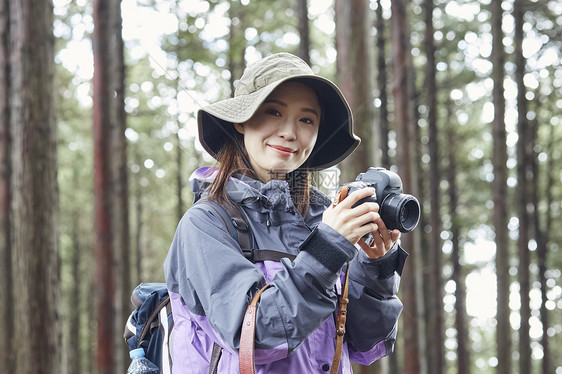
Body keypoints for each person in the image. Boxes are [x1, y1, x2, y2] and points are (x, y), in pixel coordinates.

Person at [164, 52, 408, 373]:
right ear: (241, 119)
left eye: (307, 120)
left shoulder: (327, 219)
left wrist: (376, 267)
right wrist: (327, 249)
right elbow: (255, 337)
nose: (290, 132)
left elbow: (367, 344)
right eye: (273, 111)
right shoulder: (206, 223)